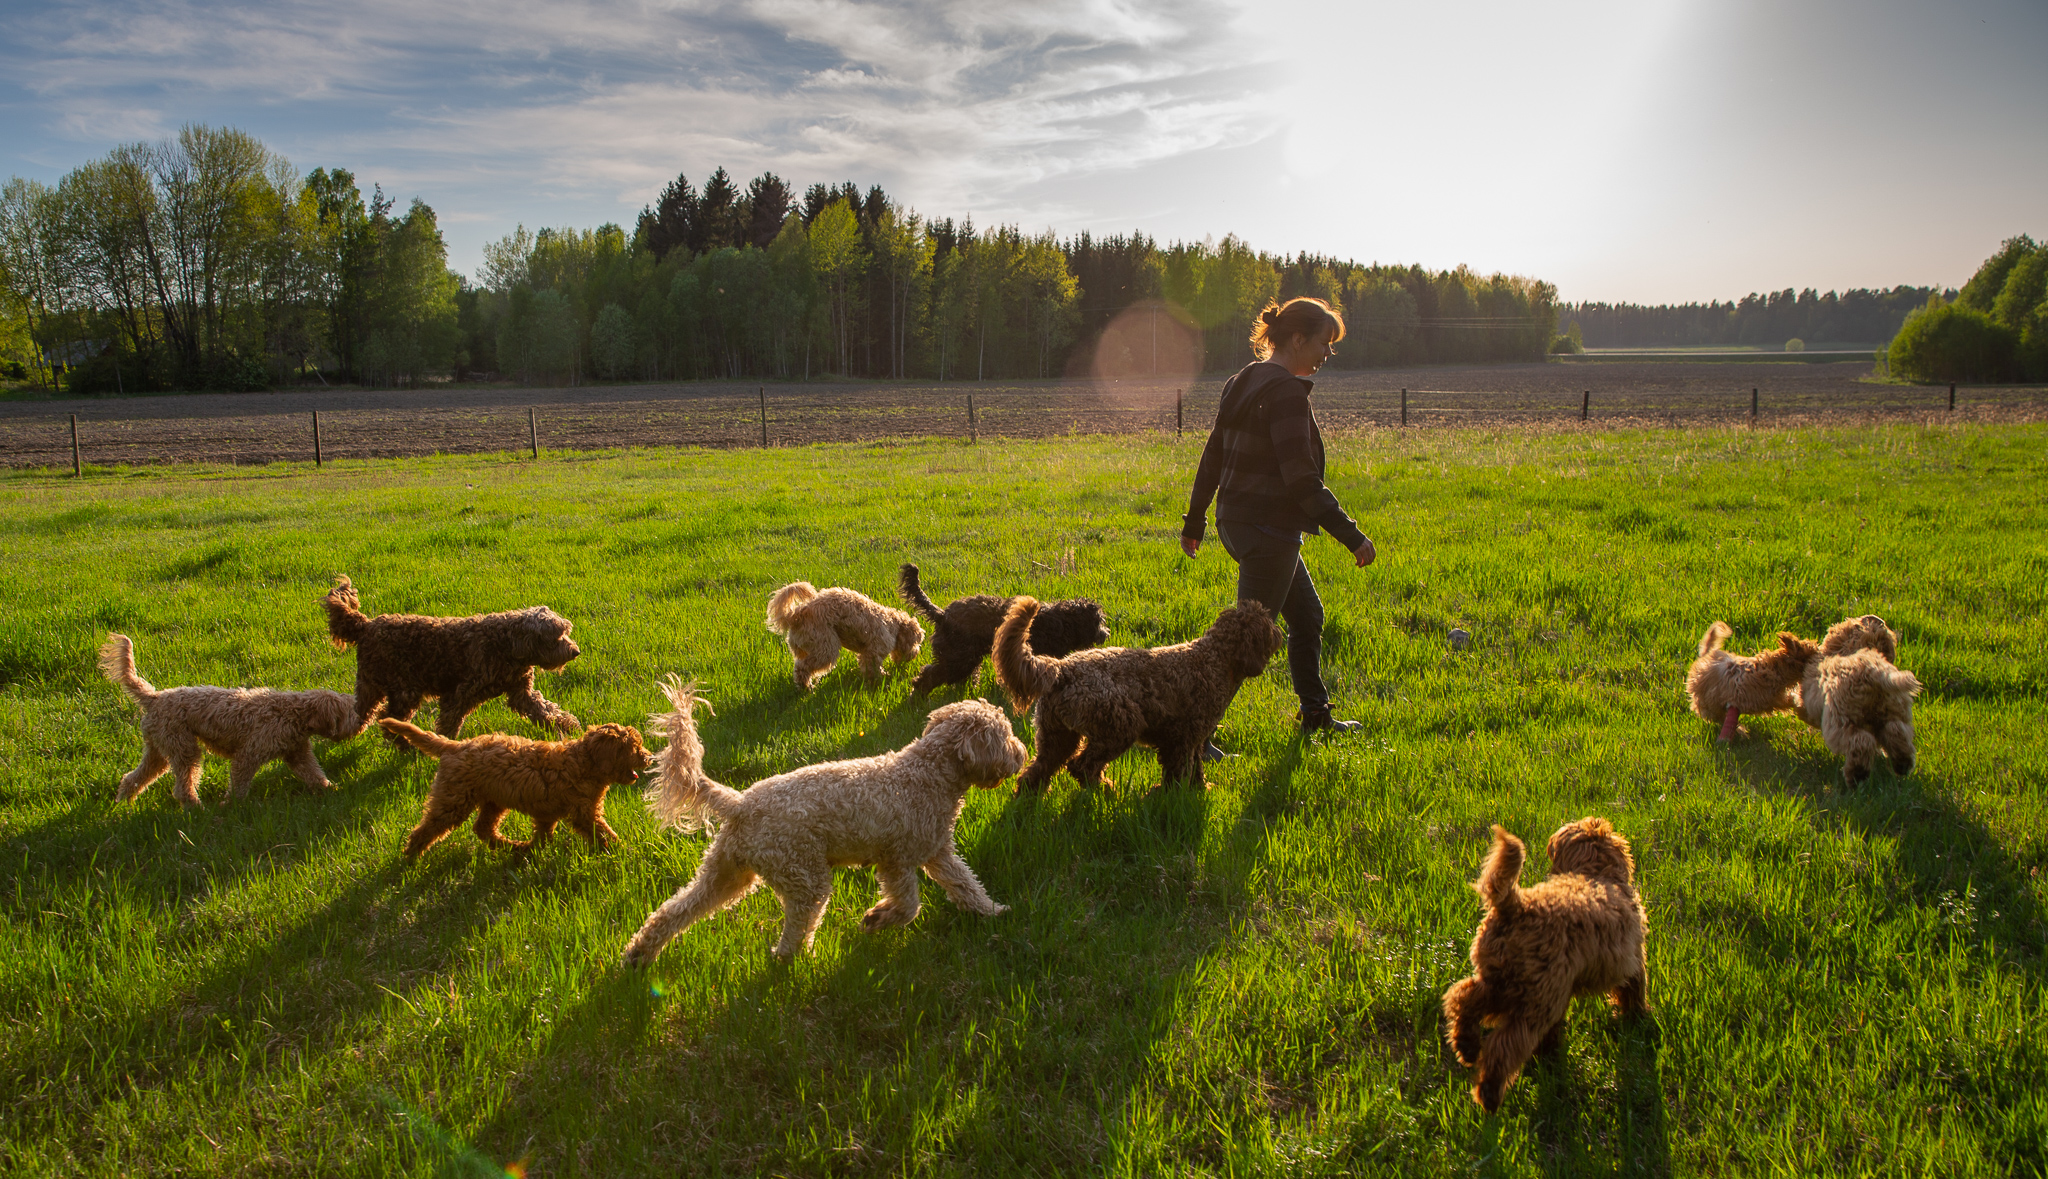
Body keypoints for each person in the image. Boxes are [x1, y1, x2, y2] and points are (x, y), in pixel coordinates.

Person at [1180, 296, 1375, 743]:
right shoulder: (1285, 392)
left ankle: (1315, 714)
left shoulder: (1243, 380)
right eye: (1325, 343)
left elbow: (1213, 456)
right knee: (1245, 641)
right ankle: (1194, 736)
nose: (1328, 354)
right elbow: (1301, 481)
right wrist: (1351, 535)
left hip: (1240, 523)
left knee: (1306, 617)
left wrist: (1197, 520)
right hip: (1267, 529)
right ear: (1298, 338)